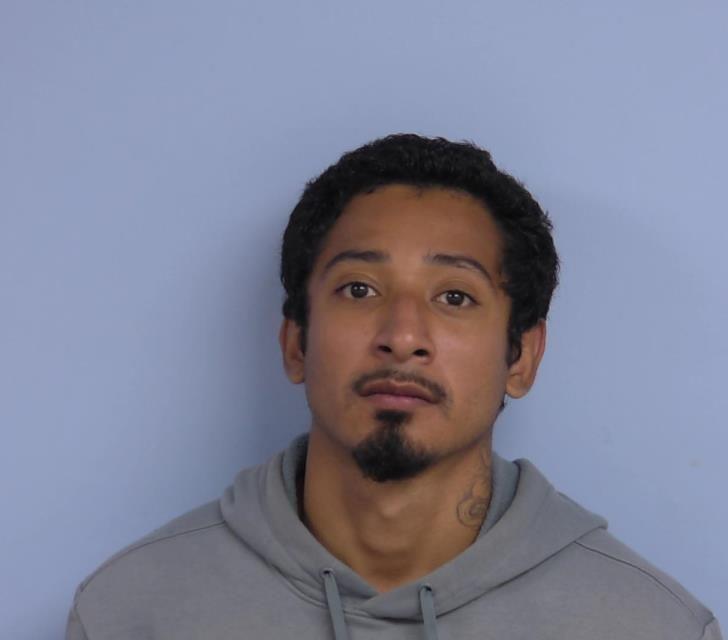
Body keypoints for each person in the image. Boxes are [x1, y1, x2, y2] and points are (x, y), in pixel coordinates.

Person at [66, 134, 721, 639]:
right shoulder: (131, 611)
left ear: (521, 357)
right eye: (359, 289)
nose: (403, 336)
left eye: (455, 296)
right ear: (295, 343)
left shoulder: (651, 625)